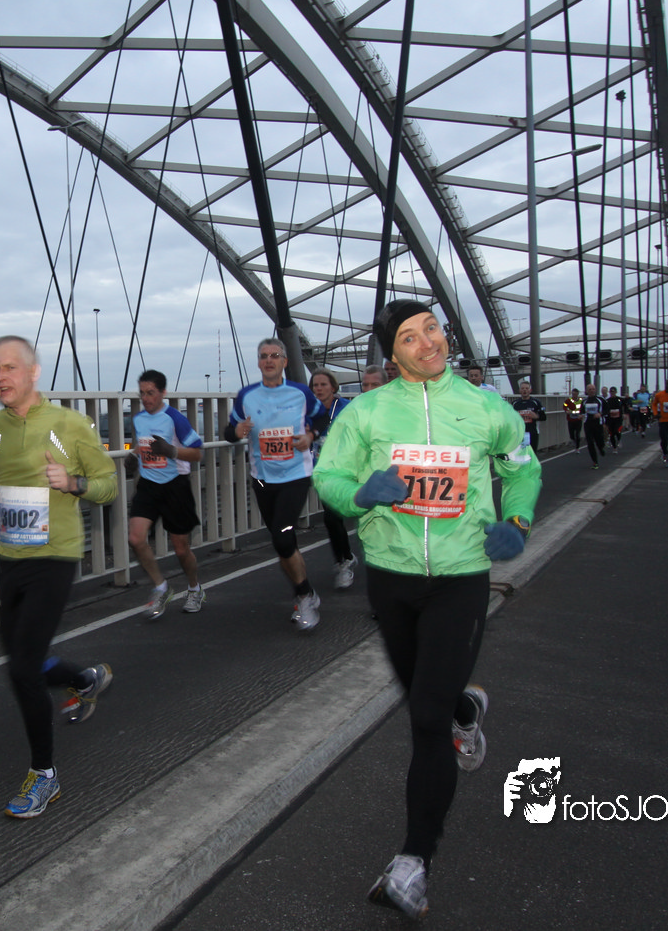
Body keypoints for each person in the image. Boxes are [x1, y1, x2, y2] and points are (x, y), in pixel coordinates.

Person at [313, 299, 541, 919]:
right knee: (427, 698)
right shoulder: (365, 413)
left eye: (433, 329)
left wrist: (518, 520)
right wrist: (361, 494)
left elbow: (523, 470)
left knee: (426, 717)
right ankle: (468, 708)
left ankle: (414, 862)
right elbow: (328, 478)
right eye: (410, 337)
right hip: (392, 577)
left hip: (461, 577)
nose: (428, 342)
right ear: (393, 354)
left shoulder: (485, 406)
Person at [0, 336, 117, 818]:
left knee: (23, 668)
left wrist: (72, 483)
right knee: (23, 658)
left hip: (56, 556)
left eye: (9, 368)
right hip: (12, 556)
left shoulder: (69, 424)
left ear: (33, 372)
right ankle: (84, 678)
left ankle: (44, 775)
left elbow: (108, 485)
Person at [223, 338, 323, 630]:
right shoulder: (246, 395)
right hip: (264, 479)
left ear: (284, 362)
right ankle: (306, 592)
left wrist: (311, 436)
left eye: (275, 355)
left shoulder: (301, 392)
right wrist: (237, 431)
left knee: (282, 536)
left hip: (295, 475)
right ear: (258, 362)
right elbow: (229, 431)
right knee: (284, 543)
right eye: (264, 356)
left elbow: (322, 418)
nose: (269, 360)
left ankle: (304, 596)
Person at [128, 369, 206, 619]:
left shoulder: (175, 419)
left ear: (163, 392)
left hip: (175, 485)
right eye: (142, 393)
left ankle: (194, 588)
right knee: (136, 538)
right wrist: (133, 456)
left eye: (151, 393)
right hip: (148, 484)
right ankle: (161, 587)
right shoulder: (139, 419)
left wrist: (171, 451)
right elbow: (143, 444)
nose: (146, 398)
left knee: (181, 549)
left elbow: (198, 453)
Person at [309, 368, 358, 590]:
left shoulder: (347, 408)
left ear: (333, 387)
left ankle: (345, 560)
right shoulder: (309, 411)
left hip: (346, 469)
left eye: (323, 385)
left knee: (335, 516)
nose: (319, 389)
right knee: (331, 517)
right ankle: (344, 559)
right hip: (322, 471)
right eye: (315, 385)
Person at [510, 380, 546, 451]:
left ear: (530, 390)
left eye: (526, 388)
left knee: (532, 453)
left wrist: (536, 416)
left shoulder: (536, 402)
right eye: (522, 388)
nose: (524, 390)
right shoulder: (515, 403)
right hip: (519, 433)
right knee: (520, 454)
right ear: (519, 390)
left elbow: (544, 417)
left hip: (532, 432)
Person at [602, 386, 624, 454]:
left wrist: (624, 413)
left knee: (617, 431)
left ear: (616, 392)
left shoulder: (619, 400)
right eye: (611, 392)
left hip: (618, 419)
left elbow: (624, 406)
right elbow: (605, 410)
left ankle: (619, 439)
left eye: (614, 392)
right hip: (610, 419)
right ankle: (614, 448)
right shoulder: (608, 401)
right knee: (611, 433)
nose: (612, 393)